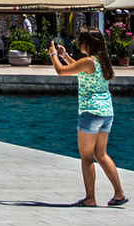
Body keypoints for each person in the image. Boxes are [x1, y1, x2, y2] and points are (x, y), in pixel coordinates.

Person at [48, 31, 126, 207]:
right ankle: (119, 193)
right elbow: (80, 69)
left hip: (90, 112)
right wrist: (65, 56)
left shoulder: (88, 61)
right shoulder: (101, 61)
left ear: (88, 43)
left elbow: (61, 71)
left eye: (81, 42)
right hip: (106, 112)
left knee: (87, 157)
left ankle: (90, 198)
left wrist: (53, 54)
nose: (79, 45)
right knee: (101, 154)